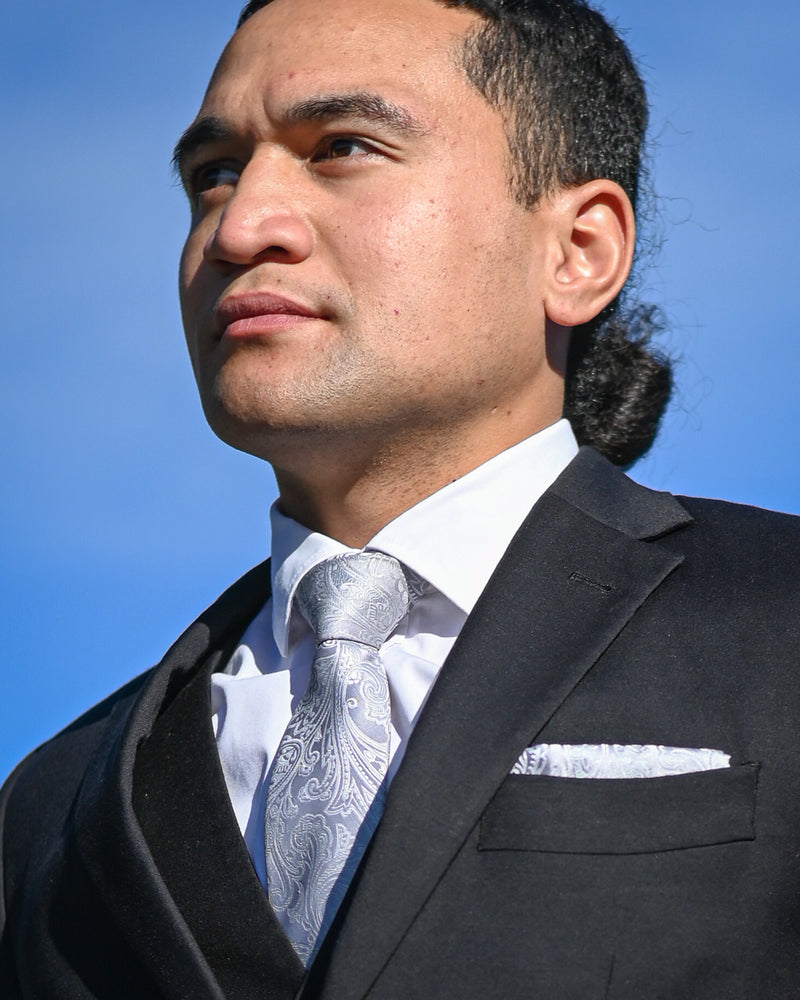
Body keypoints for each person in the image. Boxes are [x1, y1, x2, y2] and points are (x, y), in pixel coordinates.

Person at [2, 0, 799, 997]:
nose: (241, 226)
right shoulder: (51, 804)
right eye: (213, 174)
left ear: (577, 250)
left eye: (341, 146)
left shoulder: (780, 626)